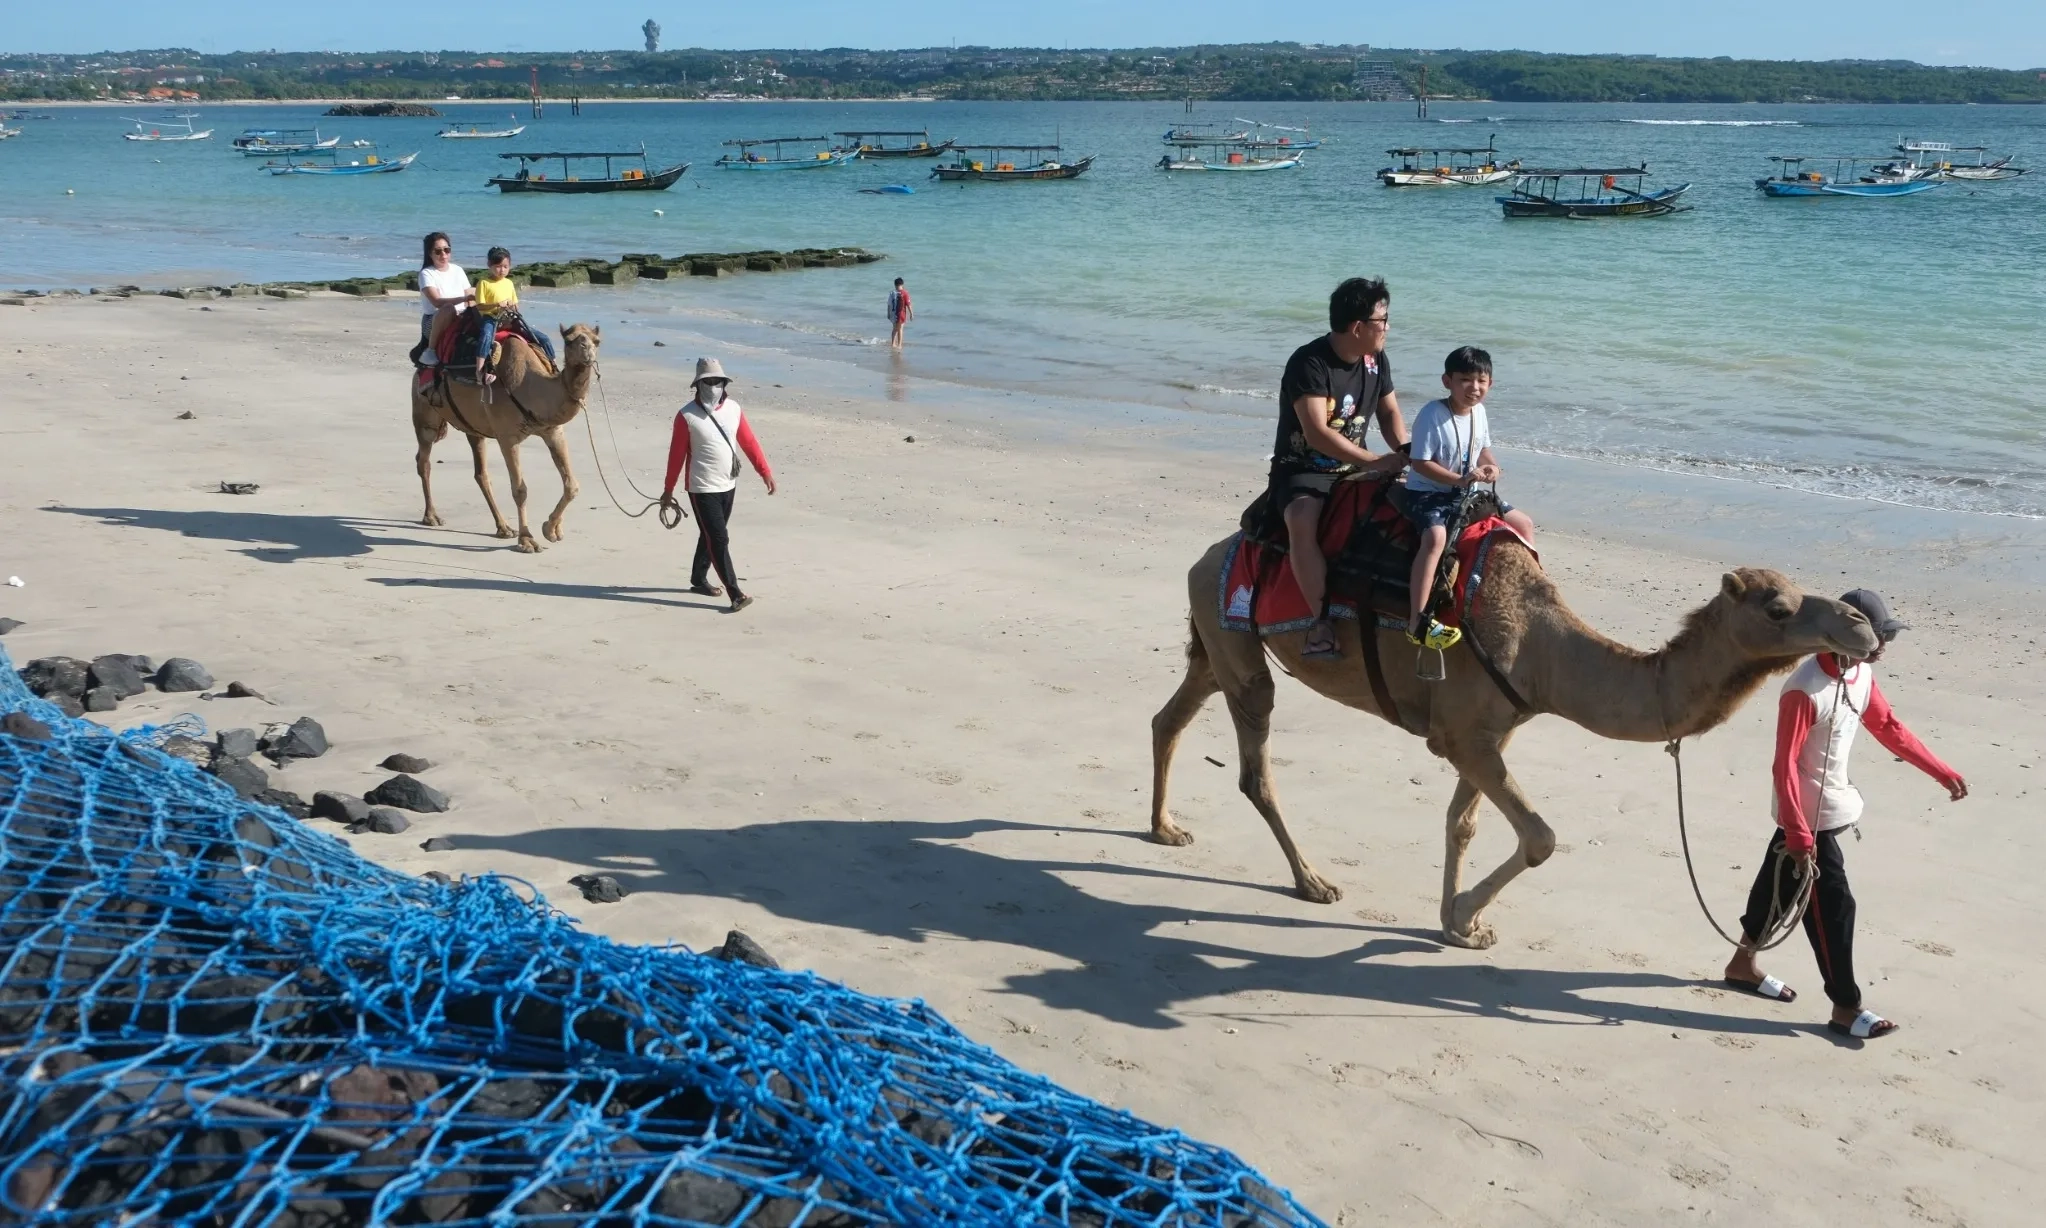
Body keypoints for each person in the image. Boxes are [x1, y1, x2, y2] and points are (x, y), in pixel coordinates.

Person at [1723, 588, 1968, 1041]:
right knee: (1833, 909)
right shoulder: (1803, 690)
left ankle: (1742, 964)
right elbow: (1785, 765)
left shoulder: (1859, 675)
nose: (1885, 645)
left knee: (1775, 887)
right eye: (1879, 636)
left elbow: (1888, 727)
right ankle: (1845, 1006)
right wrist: (1799, 835)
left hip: (1823, 813)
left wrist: (1941, 771)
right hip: (1809, 823)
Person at [1270, 277, 1409, 660]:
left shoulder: (1375, 359)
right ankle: (1320, 619)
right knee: (1301, 517)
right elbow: (1316, 432)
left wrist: (1406, 451)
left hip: (1356, 465)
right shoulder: (1309, 363)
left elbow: (1389, 411)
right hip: (1304, 468)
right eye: (1383, 320)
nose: (1388, 328)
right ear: (1358, 327)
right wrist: (1375, 461)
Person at [1401, 346, 1535, 649]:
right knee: (1435, 538)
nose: (1474, 388)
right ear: (1447, 381)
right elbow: (1420, 463)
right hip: (1429, 492)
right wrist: (1459, 479)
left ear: (1490, 384)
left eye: (1481, 381)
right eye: (1465, 380)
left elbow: (1483, 450)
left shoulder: (1480, 412)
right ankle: (1417, 620)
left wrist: (1492, 467)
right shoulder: (1432, 414)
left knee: (1524, 524)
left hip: (1468, 492)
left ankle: (1529, 596)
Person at [659, 358, 776, 613]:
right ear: (698, 385)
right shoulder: (686, 416)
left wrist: (764, 471)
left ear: (725, 384)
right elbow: (676, 456)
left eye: (718, 381)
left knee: (710, 534)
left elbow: (748, 441)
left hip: (728, 484)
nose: (713, 386)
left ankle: (698, 579)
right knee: (719, 538)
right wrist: (668, 491)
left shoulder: (734, 409)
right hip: (701, 487)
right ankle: (735, 594)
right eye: (708, 382)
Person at [470, 246, 556, 385]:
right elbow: (480, 305)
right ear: (489, 265)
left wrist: (512, 306)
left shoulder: (509, 283)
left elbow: (516, 305)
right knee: (486, 336)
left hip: (509, 318)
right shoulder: (484, 283)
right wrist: (497, 304)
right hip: (491, 318)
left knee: (542, 338)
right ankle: (479, 371)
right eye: (498, 266)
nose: (502, 270)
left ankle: (553, 366)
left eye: (505, 266)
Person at [413, 232, 472, 365]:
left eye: (447, 250)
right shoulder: (426, 274)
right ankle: (430, 351)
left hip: (461, 315)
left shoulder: (458, 270)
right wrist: (464, 299)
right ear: (430, 254)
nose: (443, 255)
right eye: (438, 251)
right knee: (448, 308)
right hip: (435, 319)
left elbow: (470, 296)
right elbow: (437, 302)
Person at [887, 277, 913, 349]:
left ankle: (893, 344)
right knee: (900, 329)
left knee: (894, 328)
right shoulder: (905, 293)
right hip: (901, 314)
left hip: (893, 314)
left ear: (895, 285)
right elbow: (908, 304)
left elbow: (889, 304)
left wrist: (888, 314)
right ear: (902, 284)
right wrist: (911, 314)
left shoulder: (892, 293)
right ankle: (899, 345)